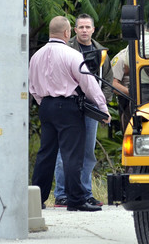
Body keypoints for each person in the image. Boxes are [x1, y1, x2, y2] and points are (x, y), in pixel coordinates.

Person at [30, 16, 111, 212]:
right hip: (68, 107)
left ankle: (36, 200)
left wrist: (45, 103)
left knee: (45, 154)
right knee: (72, 154)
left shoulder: (36, 56)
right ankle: (76, 199)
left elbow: (32, 87)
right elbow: (89, 84)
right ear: (68, 33)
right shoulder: (72, 55)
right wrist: (103, 109)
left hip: (46, 106)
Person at [53, 14, 113, 207]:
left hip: (91, 107)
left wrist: (101, 103)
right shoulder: (65, 49)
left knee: (87, 152)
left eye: (88, 27)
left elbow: (108, 81)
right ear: (74, 30)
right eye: (81, 27)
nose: (85, 30)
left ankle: (85, 193)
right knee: (65, 151)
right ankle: (62, 194)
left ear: (93, 29)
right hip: (69, 105)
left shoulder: (101, 53)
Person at [111, 46, 131, 132]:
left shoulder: (148, 54)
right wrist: (133, 93)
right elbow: (113, 85)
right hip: (128, 101)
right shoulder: (121, 58)